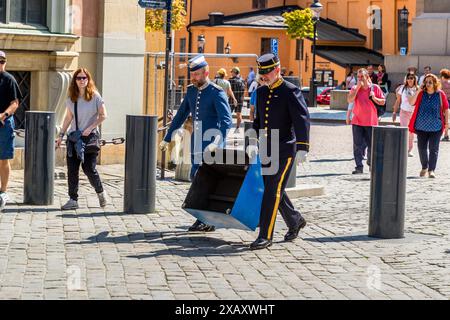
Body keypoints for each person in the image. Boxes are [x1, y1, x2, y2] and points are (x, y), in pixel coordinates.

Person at [160, 55, 232, 232]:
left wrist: (217, 142)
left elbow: (226, 121)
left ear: (206, 72)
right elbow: (181, 115)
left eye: (198, 75)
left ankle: (207, 220)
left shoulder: (217, 92)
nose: (194, 78)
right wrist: (167, 137)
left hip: (212, 144)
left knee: (206, 182)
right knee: (195, 180)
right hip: (196, 143)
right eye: (192, 75)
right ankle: (204, 219)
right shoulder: (191, 91)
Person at [249, 53, 310, 250]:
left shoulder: (290, 91)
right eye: (262, 74)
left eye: (267, 73)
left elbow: (302, 119)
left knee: (271, 190)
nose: (264, 77)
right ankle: (295, 220)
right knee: (274, 189)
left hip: (285, 148)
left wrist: (302, 147)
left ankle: (265, 235)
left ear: (277, 70)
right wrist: (251, 139)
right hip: (267, 147)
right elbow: (258, 121)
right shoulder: (261, 92)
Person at [56, 68, 108, 210]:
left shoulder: (95, 96)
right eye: (79, 78)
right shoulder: (71, 98)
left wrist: (91, 127)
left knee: (89, 169)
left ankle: (100, 192)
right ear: (75, 80)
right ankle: (73, 199)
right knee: (72, 170)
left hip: (89, 138)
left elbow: (103, 115)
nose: (82, 80)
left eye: (84, 77)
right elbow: (68, 118)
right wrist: (60, 135)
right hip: (74, 138)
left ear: (88, 79)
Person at [408, 74, 449, 178]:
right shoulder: (421, 94)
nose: (428, 84)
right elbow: (411, 102)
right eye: (426, 82)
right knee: (421, 148)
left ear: (435, 83)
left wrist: (447, 123)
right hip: (421, 127)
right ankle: (424, 167)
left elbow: (446, 108)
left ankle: (431, 170)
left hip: (436, 127)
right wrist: (418, 91)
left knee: (433, 149)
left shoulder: (440, 94)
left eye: (430, 82)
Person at [347, 68, 386, 174]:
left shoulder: (375, 88)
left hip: (371, 121)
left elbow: (383, 102)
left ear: (367, 77)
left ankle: (370, 162)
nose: (359, 79)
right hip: (357, 122)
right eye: (358, 77)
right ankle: (359, 166)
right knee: (357, 145)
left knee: (372, 145)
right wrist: (357, 89)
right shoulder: (355, 88)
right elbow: (350, 100)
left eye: (361, 77)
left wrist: (374, 98)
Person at [0, 51, 22, 212]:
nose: (1, 64)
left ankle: (3, 191)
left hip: (4, 123)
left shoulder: (9, 79)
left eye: (3, 61)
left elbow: (15, 103)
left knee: (3, 158)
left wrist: (4, 114)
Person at [392, 73, 419, 157]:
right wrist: (394, 112)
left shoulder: (417, 89)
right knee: (404, 130)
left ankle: (410, 150)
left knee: (411, 131)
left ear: (414, 79)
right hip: (403, 112)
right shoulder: (403, 88)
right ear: (406, 80)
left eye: (412, 78)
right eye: (408, 78)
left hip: (413, 113)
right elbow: (398, 101)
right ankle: (403, 148)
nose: (410, 80)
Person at [229, 67, 246, 133]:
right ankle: (237, 128)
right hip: (240, 99)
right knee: (239, 114)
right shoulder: (242, 80)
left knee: (228, 113)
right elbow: (244, 90)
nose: (231, 73)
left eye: (232, 72)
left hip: (232, 99)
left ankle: (228, 126)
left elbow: (229, 91)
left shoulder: (231, 80)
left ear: (234, 72)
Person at [439, 69, 450, 141]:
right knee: (448, 119)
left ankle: (445, 134)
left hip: (443, 102)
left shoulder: (440, 83)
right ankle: (446, 134)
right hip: (449, 101)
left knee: (443, 118)